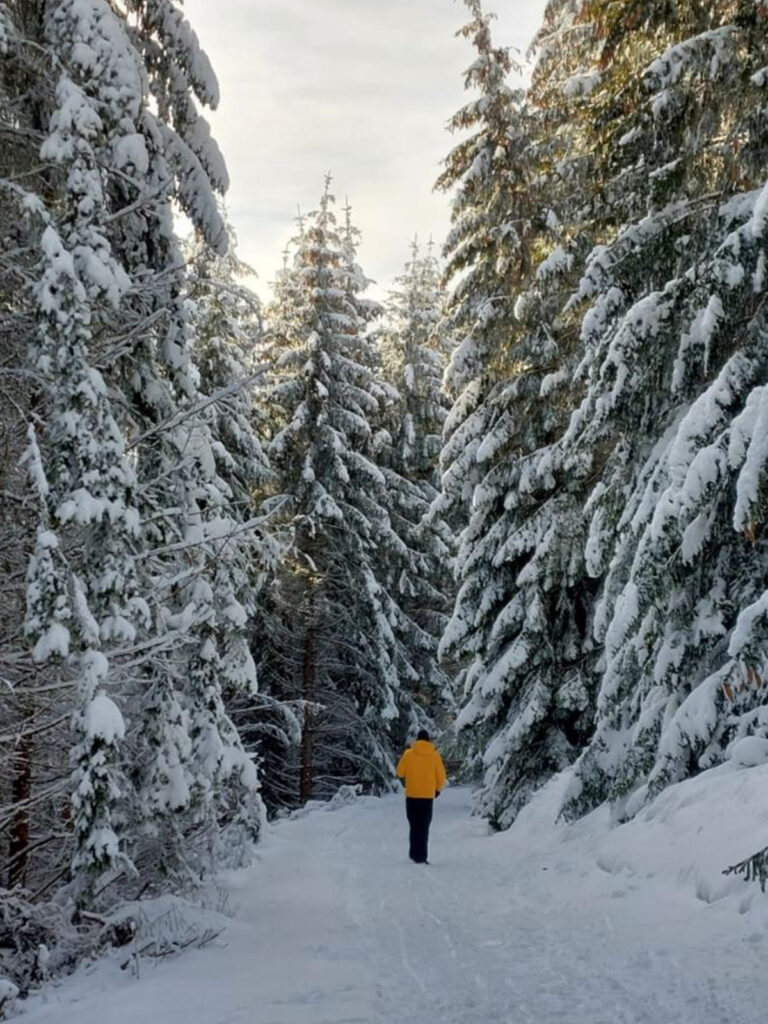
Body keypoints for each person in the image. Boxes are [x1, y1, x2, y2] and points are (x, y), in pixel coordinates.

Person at [396, 729, 447, 864]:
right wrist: (438, 789)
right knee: (424, 826)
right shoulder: (435, 756)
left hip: (412, 795)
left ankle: (413, 854)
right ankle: (422, 856)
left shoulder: (408, 754)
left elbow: (400, 772)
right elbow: (441, 776)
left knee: (414, 825)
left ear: (417, 740)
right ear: (429, 741)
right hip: (427, 796)